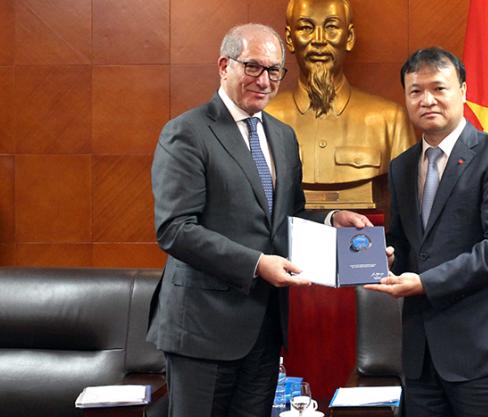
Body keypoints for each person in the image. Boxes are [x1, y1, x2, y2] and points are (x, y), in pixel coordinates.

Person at [146, 23, 371, 417]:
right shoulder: (187, 133)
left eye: (274, 71)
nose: (265, 81)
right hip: (201, 330)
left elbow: (287, 218)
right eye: (253, 67)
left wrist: (332, 219)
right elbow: (175, 229)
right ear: (224, 66)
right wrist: (256, 264)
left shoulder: (282, 136)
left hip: (265, 329)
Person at [365, 47, 488, 417]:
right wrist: (386, 256)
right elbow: (404, 240)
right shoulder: (403, 166)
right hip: (420, 355)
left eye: (439, 88)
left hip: (483, 352)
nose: (427, 100)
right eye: (415, 91)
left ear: (463, 90)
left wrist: (426, 283)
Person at [266, 0, 415, 209]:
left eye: (331, 27)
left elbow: (409, 202)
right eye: (306, 28)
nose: (318, 40)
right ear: (290, 39)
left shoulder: (390, 120)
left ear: (349, 37)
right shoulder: (264, 118)